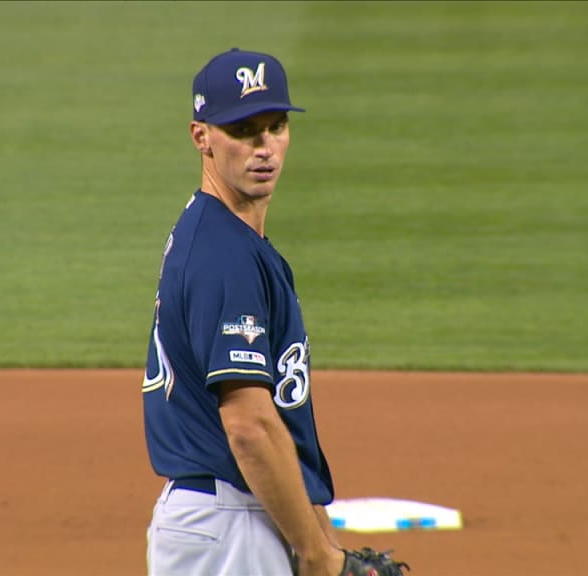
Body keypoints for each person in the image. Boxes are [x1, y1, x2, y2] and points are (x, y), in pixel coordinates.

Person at [141, 48, 345, 576]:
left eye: (276, 126)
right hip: (229, 525)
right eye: (243, 129)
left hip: (239, 516)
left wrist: (322, 536)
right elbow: (250, 426)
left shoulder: (226, 237)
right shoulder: (226, 257)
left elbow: (281, 419)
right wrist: (319, 554)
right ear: (201, 136)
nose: (264, 147)